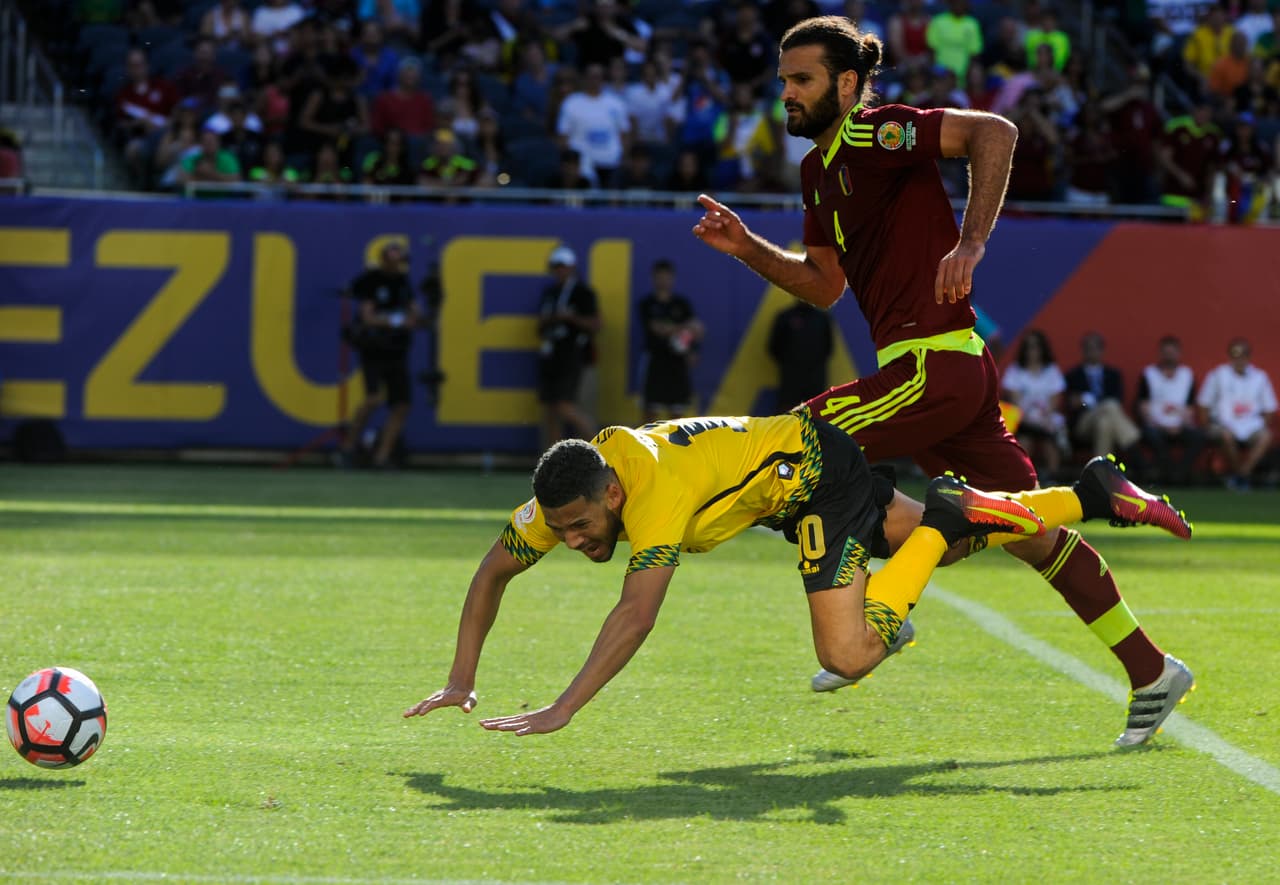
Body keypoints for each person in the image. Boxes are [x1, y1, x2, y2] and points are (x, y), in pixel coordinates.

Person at [690, 15, 1192, 743]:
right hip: (937, 373)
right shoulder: (815, 171)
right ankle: (1152, 670)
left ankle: (876, 622)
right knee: (1027, 529)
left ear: (849, 83)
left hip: (934, 366)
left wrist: (973, 240)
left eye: (802, 80)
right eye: (783, 82)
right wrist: (743, 247)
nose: (788, 95)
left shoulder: (875, 132)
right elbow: (824, 284)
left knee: (794, 449)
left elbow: (995, 133)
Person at [404, 411, 1192, 742]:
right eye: (562, 530)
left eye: (581, 526)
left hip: (818, 477)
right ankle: (1089, 493)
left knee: (847, 652)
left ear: (611, 494)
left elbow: (635, 616)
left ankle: (946, 520)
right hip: (785, 478)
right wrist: (460, 677)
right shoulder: (568, 490)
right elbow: (492, 570)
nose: (573, 541)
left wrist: (561, 709)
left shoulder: (652, 493)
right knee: (945, 550)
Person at [337, 242, 422, 469]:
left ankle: (382, 456)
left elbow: (415, 313)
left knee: (401, 405)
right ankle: (348, 447)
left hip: (397, 350)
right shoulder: (372, 281)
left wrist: (412, 318)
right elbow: (367, 317)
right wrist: (396, 321)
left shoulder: (403, 282)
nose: (397, 265)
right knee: (373, 398)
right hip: (374, 349)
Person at [537, 246, 599, 446]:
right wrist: (553, 319)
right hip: (552, 355)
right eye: (556, 266)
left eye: (563, 266)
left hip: (573, 356)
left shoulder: (582, 293)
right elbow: (540, 324)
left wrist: (570, 318)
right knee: (551, 409)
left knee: (564, 405)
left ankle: (601, 450)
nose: (559, 270)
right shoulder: (550, 293)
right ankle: (552, 459)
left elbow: (596, 324)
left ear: (572, 267)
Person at [1197, 338, 1277, 491]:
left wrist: (1261, 425)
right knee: (1226, 436)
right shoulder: (1217, 375)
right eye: (1235, 355)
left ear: (1249, 356)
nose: (1239, 359)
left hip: (1251, 425)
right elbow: (1203, 404)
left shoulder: (1260, 377)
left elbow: (1269, 408)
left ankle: (1240, 475)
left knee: (1266, 436)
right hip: (1222, 424)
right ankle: (1242, 477)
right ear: (1229, 356)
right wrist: (1206, 426)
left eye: (1243, 355)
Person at [636, 259, 704, 423]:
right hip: (655, 362)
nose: (663, 280)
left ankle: (673, 448)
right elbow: (657, 328)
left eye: (666, 277)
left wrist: (689, 349)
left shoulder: (682, 304)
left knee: (677, 417)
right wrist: (684, 327)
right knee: (650, 415)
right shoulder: (647, 304)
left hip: (678, 363)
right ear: (653, 278)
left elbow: (698, 330)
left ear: (672, 278)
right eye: (659, 276)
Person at [1000, 329, 1069, 480]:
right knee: (1025, 442)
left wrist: (1043, 416)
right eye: (1029, 346)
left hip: (1046, 419)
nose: (1033, 351)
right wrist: (1033, 418)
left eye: (1036, 346)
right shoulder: (1015, 371)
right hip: (1024, 421)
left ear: (1042, 348)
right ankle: (1023, 479)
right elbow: (1015, 401)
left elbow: (1055, 400)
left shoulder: (1051, 370)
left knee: (1050, 441)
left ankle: (1052, 479)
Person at [1136, 335, 1204, 486]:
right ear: (1160, 353)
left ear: (1179, 353)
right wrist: (1161, 425)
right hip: (1156, 425)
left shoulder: (1187, 375)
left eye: (1172, 352)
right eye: (1166, 352)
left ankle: (1179, 473)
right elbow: (1143, 406)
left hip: (1180, 425)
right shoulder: (1149, 374)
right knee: (1152, 436)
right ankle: (1168, 474)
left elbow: (1190, 407)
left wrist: (1180, 425)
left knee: (1199, 436)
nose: (1169, 356)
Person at [1064, 332, 1142, 463]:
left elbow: (1119, 400)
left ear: (1102, 350)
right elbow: (1071, 403)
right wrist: (1084, 401)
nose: (1092, 352)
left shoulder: (1113, 375)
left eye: (1095, 348)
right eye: (1088, 348)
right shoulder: (1073, 375)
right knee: (1110, 405)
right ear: (1083, 350)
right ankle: (1132, 442)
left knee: (1104, 423)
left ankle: (1101, 471)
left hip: (1105, 419)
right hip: (1084, 422)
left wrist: (1087, 400)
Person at [768, 301, 834, 411]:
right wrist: (790, 364)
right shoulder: (786, 317)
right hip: (791, 380)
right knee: (787, 416)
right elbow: (774, 347)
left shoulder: (822, 318)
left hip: (815, 379)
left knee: (816, 414)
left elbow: (828, 347)